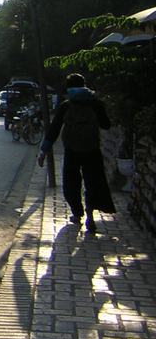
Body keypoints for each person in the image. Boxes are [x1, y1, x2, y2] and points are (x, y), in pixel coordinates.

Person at [37, 73, 115, 234]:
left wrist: (43, 151)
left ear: (68, 88)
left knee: (71, 184)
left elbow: (54, 130)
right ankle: (90, 217)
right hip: (92, 150)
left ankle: (77, 213)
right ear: (84, 85)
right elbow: (106, 125)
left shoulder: (66, 105)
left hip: (71, 151)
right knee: (93, 183)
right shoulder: (96, 104)